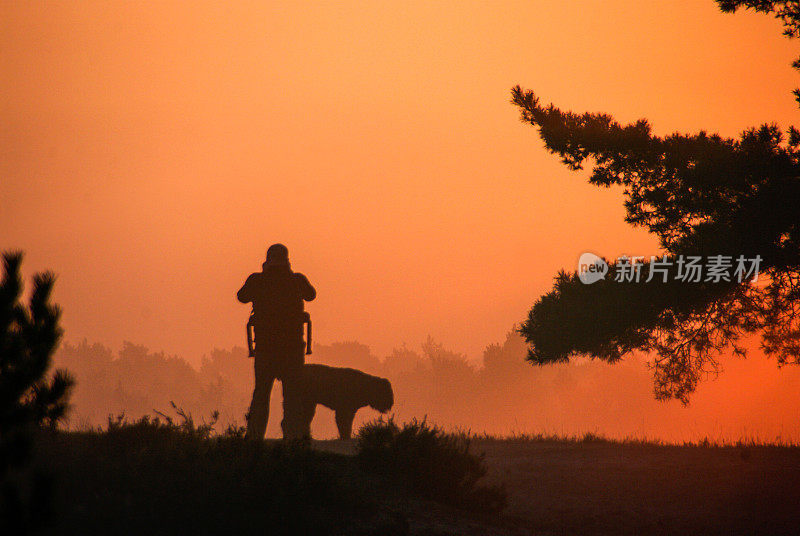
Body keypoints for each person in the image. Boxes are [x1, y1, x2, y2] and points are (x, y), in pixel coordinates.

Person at [237, 243, 316, 440]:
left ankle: (254, 439)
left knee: (261, 395)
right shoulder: (296, 280)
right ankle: (294, 440)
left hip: (266, 350)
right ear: (287, 260)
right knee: (292, 398)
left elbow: (242, 297)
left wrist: (263, 275)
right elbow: (311, 294)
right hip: (292, 350)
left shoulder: (258, 280)